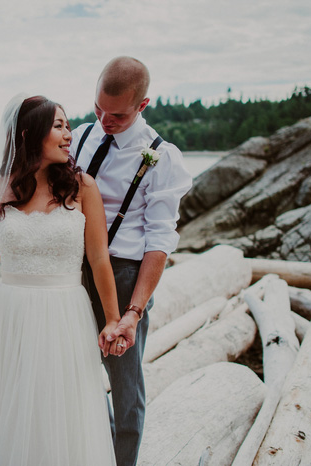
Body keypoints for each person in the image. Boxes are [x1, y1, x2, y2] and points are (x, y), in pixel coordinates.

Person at [0, 94, 126, 465]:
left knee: (65, 405)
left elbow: (99, 258)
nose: (68, 134)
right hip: (13, 313)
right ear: (28, 134)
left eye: (68, 125)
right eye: (58, 126)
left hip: (66, 311)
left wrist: (114, 319)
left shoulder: (82, 187)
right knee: (18, 404)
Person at [70, 56, 193, 466]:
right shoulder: (82, 135)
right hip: (70, 274)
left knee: (125, 386)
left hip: (124, 277)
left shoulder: (161, 156)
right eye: (98, 109)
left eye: (117, 115)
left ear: (143, 105)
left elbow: (160, 240)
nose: (104, 121)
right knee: (74, 372)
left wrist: (134, 311)